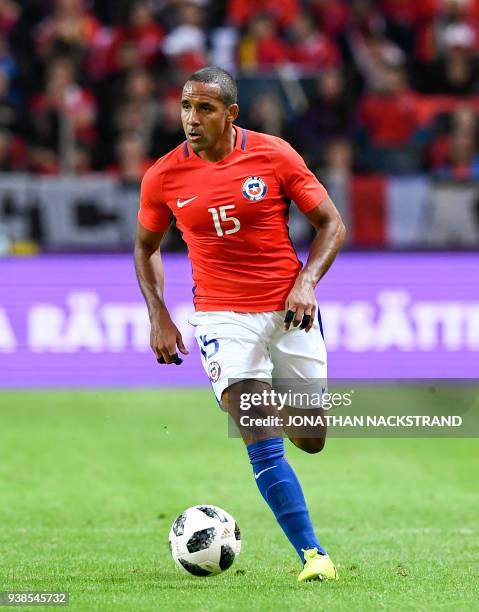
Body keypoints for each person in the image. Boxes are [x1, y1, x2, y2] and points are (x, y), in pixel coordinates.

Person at [134, 66, 346, 582]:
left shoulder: (273, 154)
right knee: (258, 427)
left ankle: (275, 405)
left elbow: (331, 224)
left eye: (204, 108)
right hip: (221, 316)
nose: (191, 118)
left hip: (289, 309)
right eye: (186, 107)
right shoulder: (163, 176)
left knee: (312, 435)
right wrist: (158, 312)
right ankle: (313, 556)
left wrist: (306, 282)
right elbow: (146, 248)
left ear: (230, 114)